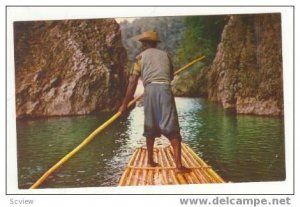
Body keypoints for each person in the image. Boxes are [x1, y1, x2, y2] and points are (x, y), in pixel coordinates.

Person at [118, 31, 191, 174]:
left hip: (150, 90)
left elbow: (133, 81)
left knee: (150, 125)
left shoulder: (140, 58)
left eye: (142, 45)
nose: (142, 47)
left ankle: (150, 161)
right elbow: (170, 76)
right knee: (172, 128)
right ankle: (178, 166)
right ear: (155, 44)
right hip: (165, 89)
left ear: (145, 44)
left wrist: (124, 104)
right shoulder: (165, 55)